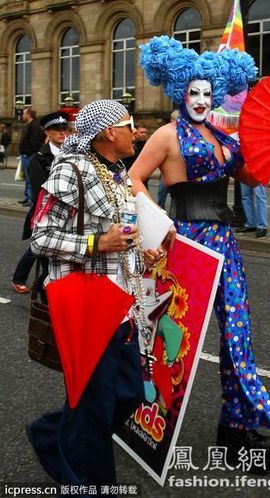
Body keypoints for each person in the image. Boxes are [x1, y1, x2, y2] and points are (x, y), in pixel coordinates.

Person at [129, 36, 270, 464]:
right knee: (168, 334)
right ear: (179, 92)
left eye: (209, 93)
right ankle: (141, 412)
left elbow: (251, 178)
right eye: (194, 92)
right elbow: (132, 179)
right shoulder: (166, 135)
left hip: (224, 243)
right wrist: (160, 222)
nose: (202, 99)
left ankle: (236, 426)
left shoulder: (223, 137)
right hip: (183, 244)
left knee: (236, 333)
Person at [27, 99, 160, 490]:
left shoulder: (116, 170)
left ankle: (51, 436)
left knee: (129, 393)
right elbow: (40, 237)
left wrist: (141, 247)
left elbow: (122, 230)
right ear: (108, 133)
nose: (136, 130)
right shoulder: (71, 170)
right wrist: (96, 243)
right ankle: (89, 482)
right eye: (129, 123)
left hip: (118, 300)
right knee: (97, 406)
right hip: (83, 299)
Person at [11, 112, 69, 295]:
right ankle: (28, 283)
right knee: (40, 249)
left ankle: (41, 285)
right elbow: (39, 193)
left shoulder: (72, 154)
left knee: (50, 251)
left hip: (69, 213)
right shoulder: (39, 158)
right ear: (47, 132)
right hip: (46, 212)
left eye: (64, 128)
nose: (62, 132)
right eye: (56, 129)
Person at [18, 107, 44, 206]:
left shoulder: (35, 126)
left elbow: (34, 142)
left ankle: (30, 199)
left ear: (29, 115)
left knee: (31, 178)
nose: (22, 116)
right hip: (26, 155)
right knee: (27, 178)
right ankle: (27, 197)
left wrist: (28, 152)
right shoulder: (29, 125)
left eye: (24, 114)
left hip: (30, 155)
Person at [157, 110, 180, 209]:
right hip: (166, 173)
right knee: (162, 196)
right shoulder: (164, 133)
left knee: (176, 199)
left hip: (176, 174)